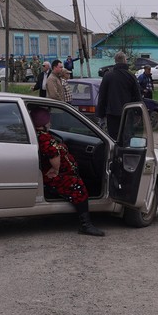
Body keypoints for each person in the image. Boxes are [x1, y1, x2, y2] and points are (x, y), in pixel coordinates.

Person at [30, 106, 105, 237]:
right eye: (48, 120)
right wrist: (56, 169)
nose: (50, 123)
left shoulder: (39, 135)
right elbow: (53, 155)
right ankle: (86, 225)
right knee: (77, 186)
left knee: (78, 180)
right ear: (42, 123)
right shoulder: (44, 139)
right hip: (53, 177)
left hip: (54, 174)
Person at [97, 52, 142, 140]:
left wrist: (101, 114)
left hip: (112, 114)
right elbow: (137, 96)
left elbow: (102, 96)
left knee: (113, 138)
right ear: (125, 61)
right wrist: (139, 113)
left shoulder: (108, 76)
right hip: (127, 113)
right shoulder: (131, 76)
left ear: (115, 61)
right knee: (127, 138)